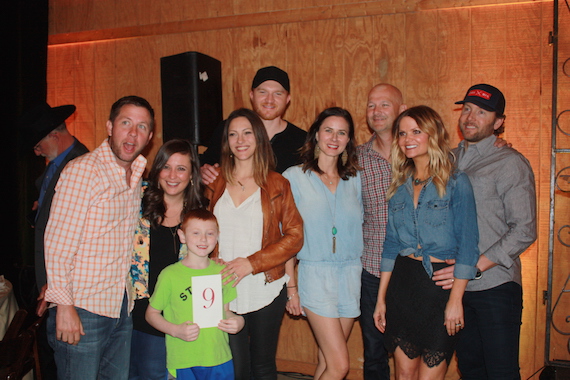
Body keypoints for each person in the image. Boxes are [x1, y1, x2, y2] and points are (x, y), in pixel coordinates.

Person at [44, 95, 155, 380]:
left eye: (142, 127)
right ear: (110, 126)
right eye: (126, 123)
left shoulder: (135, 175)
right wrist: (64, 306)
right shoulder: (83, 171)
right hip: (82, 308)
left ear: (150, 136)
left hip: (119, 305)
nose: (133, 133)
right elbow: (57, 246)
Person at [431, 84, 537, 380]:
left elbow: (525, 229)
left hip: (495, 286)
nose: (470, 117)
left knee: (501, 371)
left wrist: (471, 268)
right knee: (471, 369)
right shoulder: (446, 160)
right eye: (466, 109)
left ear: (498, 122)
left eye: (481, 112)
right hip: (454, 289)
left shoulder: (510, 162)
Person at [373, 105, 480, 379]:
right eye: (402, 133)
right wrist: (381, 300)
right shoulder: (398, 186)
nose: (408, 139)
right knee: (403, 376)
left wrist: (456, 299)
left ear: (432, 134)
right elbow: (390, 246)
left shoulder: (456, 182)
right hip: (402, 286)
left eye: (416, 131)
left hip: (439, 289)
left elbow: (468, 246)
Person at [204, 108, 303, 380]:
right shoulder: (215, 182)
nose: (240, 140)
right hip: (224, 288)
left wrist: (251, 263)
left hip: (265, 286)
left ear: (259, 138)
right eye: (233, 134)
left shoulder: (277, 183)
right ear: (226, 142)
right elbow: (201, 231)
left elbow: (295, 236)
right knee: (235, 368)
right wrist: (211, 258)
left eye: (247, 132)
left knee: (262, 368)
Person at [283, 107, 363, 380]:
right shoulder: (294, 177)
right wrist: (291, 288)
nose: (334, 137)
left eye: (342, 132)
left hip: (351, 274)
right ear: (316, 134)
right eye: (328, 130)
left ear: (349, 140)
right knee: (340, 366)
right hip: (315, 274)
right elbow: (286, 237)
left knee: (326, 359)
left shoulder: (355, 179)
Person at [18, 101, 89, 380]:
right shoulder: (55, 164)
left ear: (55, 136)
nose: (36, 152)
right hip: (49, 282)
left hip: (67, 288)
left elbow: (82, 235)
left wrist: (59, 288)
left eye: (38, 146)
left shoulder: (80, 164)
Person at [129, 139, 208, 380]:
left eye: (181, 168)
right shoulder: (136, 201)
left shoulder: (200, 213)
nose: (172, 175)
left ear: (192, 174)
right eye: (166, 167)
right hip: (143, 316)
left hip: (185, 317)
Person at [146, 208, 245, 380]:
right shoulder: (170, 275)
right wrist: (175, 330)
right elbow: (151, 314)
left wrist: (238, 321)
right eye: (196, 233)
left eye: (209, 233)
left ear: (217, 236)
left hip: (219, 357)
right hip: (184, 359)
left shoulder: (223, 272)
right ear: (182, 236)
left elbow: (225, 311)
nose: (203, 239)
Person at [357, 83, 407, 380]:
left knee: (413, 349)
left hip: (415, 271)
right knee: (374, 353)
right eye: (371, 105)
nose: (376, 111)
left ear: (401, 109)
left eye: (384, 104)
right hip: (372, 270)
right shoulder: (355, 158)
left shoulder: (419, 153)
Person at [201, 66, 306, 183]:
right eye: (262, 92)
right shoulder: (228, 129)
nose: (269, 100)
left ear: (287, 99)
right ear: (252, 95)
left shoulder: (303, 141)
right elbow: (205, 163)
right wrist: (203, 171)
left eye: (277, 94)